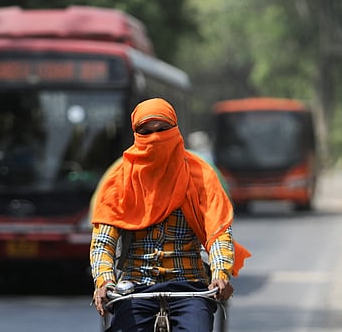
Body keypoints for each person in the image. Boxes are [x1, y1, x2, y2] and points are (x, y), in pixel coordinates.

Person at [89, 98, 251, 331]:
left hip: (190, 287)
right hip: (134, 287)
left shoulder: (201, 175)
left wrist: (220, 273)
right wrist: (104, 280)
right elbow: (103, 242)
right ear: (135, 134)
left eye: (162, 130)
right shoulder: (120, 179)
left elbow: (218, 234)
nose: (155, 138)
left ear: (175, 130)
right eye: (146, 132)